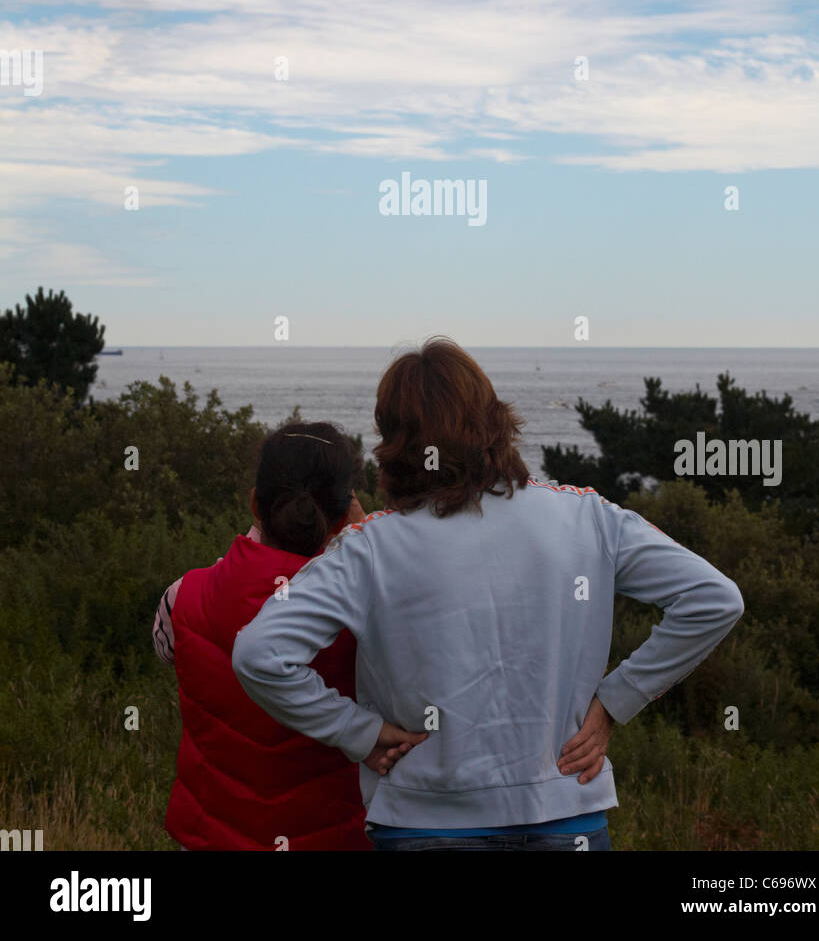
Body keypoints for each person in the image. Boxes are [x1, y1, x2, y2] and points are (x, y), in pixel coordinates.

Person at [232, 340, 745, 852]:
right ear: (493, 420)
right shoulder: (586, 517)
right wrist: (615, 700)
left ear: (393, 441)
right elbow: (713, 598)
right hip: (566, 816)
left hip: (424, 822)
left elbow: (260, 654)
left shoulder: (371, 547)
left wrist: (358, 732)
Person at [154, 420, 372, 851]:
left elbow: (170, 654)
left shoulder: (183, 596)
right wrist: (366, 538)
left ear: (256, 504)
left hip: (208, 838)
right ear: (344, 514)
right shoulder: (366, 612)